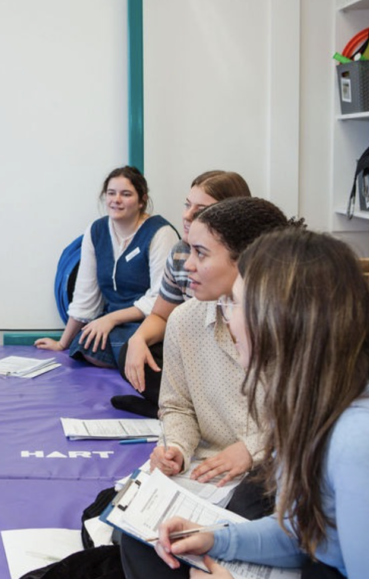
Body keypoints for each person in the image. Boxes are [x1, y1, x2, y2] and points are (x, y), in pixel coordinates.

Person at [150, 229, 369, 578]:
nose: (228, 318)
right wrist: (214, 539)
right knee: (153, 552)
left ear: (279, 319)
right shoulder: (314, 401)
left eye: (234, 303)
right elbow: (302, 532)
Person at [118, 197, 303, 578]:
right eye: (189, 251)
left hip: (273, 470)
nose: (187, 264)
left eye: (200, 253)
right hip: (206, 472)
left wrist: (252, 449)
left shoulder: (291, 325)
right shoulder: (184, 320)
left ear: (247, 261)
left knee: (250, 506)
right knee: (138, 532)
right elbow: (176, 407)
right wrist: (176, 448)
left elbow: (306, 416)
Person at [113, 170, 251, 418]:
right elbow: (162, 315)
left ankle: (181, 410)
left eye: (200, 210)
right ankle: (183, 410)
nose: (187, 216)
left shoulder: (249, 268)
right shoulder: (179, 253)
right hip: (199, 357)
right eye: (187, 205)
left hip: (237, 363)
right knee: (133, 352)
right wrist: (138, 339)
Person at [35, 166, 178, 368]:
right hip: (113, 324)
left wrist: (111, 319)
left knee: (126, 345)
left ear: (142, 200)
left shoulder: (160, 233)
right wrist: (62, 344)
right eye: (111, 193)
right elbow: (85, 296)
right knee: (86, 341)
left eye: (126, 194)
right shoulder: (96, 230)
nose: (116, 200)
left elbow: (160, 299)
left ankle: (139, 358)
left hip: (150, 322)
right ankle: (128, 361)